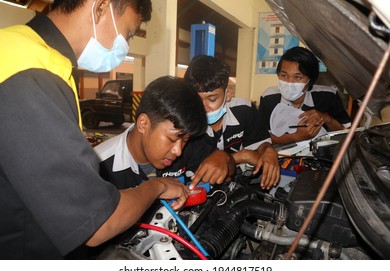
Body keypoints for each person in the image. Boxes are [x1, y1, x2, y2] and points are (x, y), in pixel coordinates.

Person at [0, 0, 190, 260]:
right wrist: (157, 187)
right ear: (101, 7)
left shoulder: (21, 49)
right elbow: (98, 223)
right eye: (129, 34)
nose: (126, 46)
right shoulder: (31, 74)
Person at [94, 75, 229, 189]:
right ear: (144, 124)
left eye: (185, 140)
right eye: (172, 139)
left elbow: (226, 165)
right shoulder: (97, 168)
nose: (178, 151)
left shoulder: (186, 142)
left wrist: (224, 158)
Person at [184, 55, 280, 190]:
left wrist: (269, 151)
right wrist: (242, 155)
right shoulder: (184, 125)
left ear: (227, 94)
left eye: (212, 99)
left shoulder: (244, 110)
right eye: (196, 100)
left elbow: (260, 145)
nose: (203, 108)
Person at [258, 46, 352, 145]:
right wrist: (296, 137)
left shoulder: (328, 96)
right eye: (284, 75)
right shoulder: (269, 97)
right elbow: (261, 138)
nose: (289, 82)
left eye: (297, 77)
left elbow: (347, 133)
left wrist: (327, 119)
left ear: (310, 80)